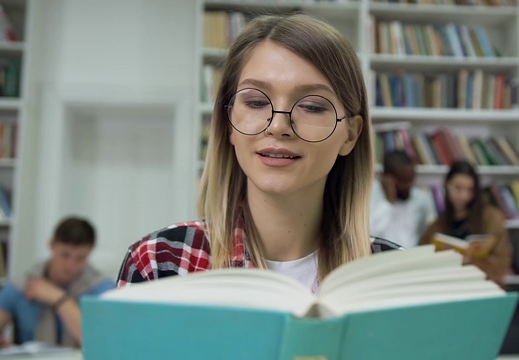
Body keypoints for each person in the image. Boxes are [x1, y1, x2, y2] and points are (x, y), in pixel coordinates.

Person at [116, 14, 399, 291]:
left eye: (312, 106)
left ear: (350, 133)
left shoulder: (393, 280)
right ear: (229, 122)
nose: (278, 126)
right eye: (255, 102)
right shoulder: (160, 264)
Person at [0, 217, 115, 353]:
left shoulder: (102, 289)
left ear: (90, 251)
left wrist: (59, 298)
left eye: (80, 258)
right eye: (65, 255)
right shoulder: (24, 285)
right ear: (51, 245)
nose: (70, 265)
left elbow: (99, 341)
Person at [419, 160, 511, 286]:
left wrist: (472, 261)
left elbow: (501, 263)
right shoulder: (437, 225)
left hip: (483, 288)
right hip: (448, 287)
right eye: (458, 188)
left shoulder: (492, 218)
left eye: (470, 189)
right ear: (447, 185)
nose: (463, 195)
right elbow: (423, 259)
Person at [370, 150, 434, 248]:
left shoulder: (419, 198)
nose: (409, 186)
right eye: (403, 181)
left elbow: (423, 234)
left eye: (411, 179)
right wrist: (388, 202)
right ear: (387, 178)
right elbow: (369, 232)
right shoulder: (371, 193)